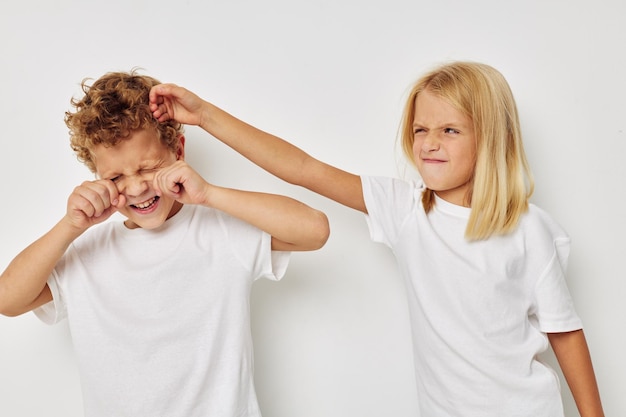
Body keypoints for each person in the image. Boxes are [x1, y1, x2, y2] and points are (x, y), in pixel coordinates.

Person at [148, 61, 605, 417]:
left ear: (491, 138)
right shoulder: (407, 209)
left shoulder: (530, 230)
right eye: (421, 129)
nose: (428, 143)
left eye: (449, 130)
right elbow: (304, 169)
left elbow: (565, 333)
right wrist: (205, 116)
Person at [0, 70, 330, 417]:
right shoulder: (85, 253)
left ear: (178, 151)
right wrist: (69, 226)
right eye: (115, 177)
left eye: (149, 168)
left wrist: (210, 194)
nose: (138, 188)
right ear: (96, 176)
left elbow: (314, 230)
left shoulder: (219, 230)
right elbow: (7, 299)